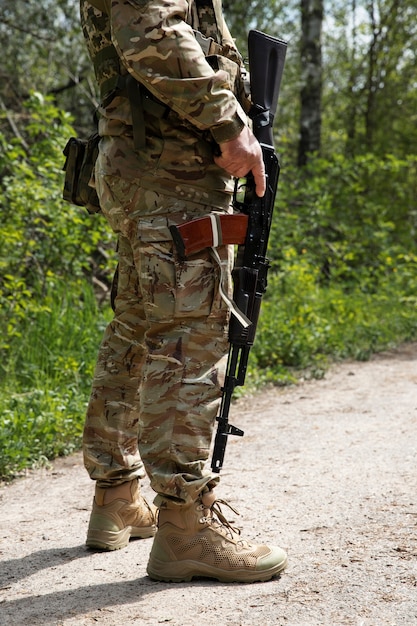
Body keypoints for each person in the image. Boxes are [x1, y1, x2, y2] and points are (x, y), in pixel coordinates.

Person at [80, 0, 288, 583]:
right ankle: (183, 525)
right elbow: (154, 31)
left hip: (142, 173)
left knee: (139, 330)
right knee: (188, 339)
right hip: (171, 176)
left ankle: (117, 496)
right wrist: (229, 123)